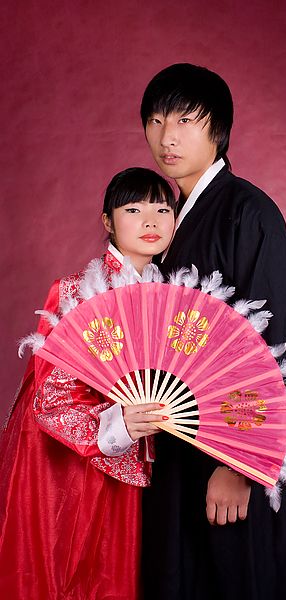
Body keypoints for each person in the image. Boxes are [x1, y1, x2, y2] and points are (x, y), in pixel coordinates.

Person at [141, 64, 286, 600]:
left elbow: (272, 347)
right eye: (158, 120)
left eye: (187, 119)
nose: (168, 136)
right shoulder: (166, 224)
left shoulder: (248, 213)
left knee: (233, 582)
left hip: (227, 454)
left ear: (218, 130)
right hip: (175, 447)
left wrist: (239, 464)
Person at [0, 167, 176, 600]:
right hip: (64, 464)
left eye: (162, 208)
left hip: (128, 464)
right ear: (107, 221)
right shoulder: (76, 293)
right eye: (133, 209)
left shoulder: (173, 298)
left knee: (112, 577)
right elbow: (51, 399)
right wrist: (121, 423)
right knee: (64, 573)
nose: (151, 221)